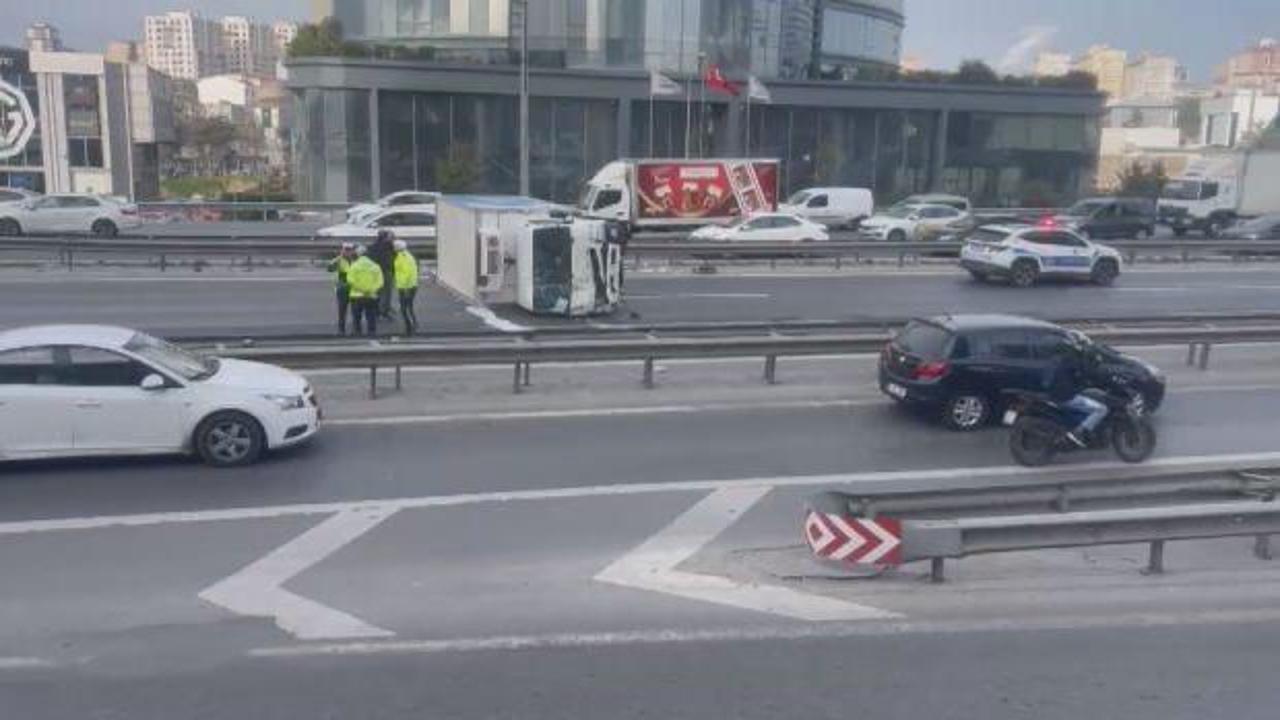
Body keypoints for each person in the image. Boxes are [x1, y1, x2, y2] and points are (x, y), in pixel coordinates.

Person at [1042, 337, 1109, 447]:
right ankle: (1078, 432)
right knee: (1101, 409)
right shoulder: (1072, 360)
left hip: (1052, 394)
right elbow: (1083, 376)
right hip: (1066, 396)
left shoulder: (1055, 359)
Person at [346, 245, 384, 336]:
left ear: (358, 254)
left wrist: (362, 290)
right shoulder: (375, 266)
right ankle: (372, 333)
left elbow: (350, 280)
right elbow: (380, 282)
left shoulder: (355, 265)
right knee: (371, 316)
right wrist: (370, 290)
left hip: (357, 295)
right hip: (371, 295)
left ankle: (357, 333)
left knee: (357, 317)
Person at [326, 243, 356, 335]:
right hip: (342, 288)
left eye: (349, 250)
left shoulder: (356, 259)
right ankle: (341, 329)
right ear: (342, 250)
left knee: (355, 310)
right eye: (345, 249)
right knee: (342, 310)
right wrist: (336, 260)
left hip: (354, 287)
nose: (347, 252)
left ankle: (355, 329)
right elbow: (329, 269)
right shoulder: (339, 260)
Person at [393, 239, 420, 335]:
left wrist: (404, 288)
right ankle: (411, 325)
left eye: (395, 246)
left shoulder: (402, 257)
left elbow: (406, 273)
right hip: (410, 285)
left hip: (406, 287)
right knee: (407, 307)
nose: (393, 248)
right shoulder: (407, 256)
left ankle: (411, 326)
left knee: (405, 308)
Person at [369, 229, 397, 320]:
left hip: (375, 272)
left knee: (377, 292)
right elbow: (393, 258)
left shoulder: (373, 246)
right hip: (386, 272)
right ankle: (384, 311)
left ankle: (376, 312)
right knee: (386, 293)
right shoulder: (389, 246)